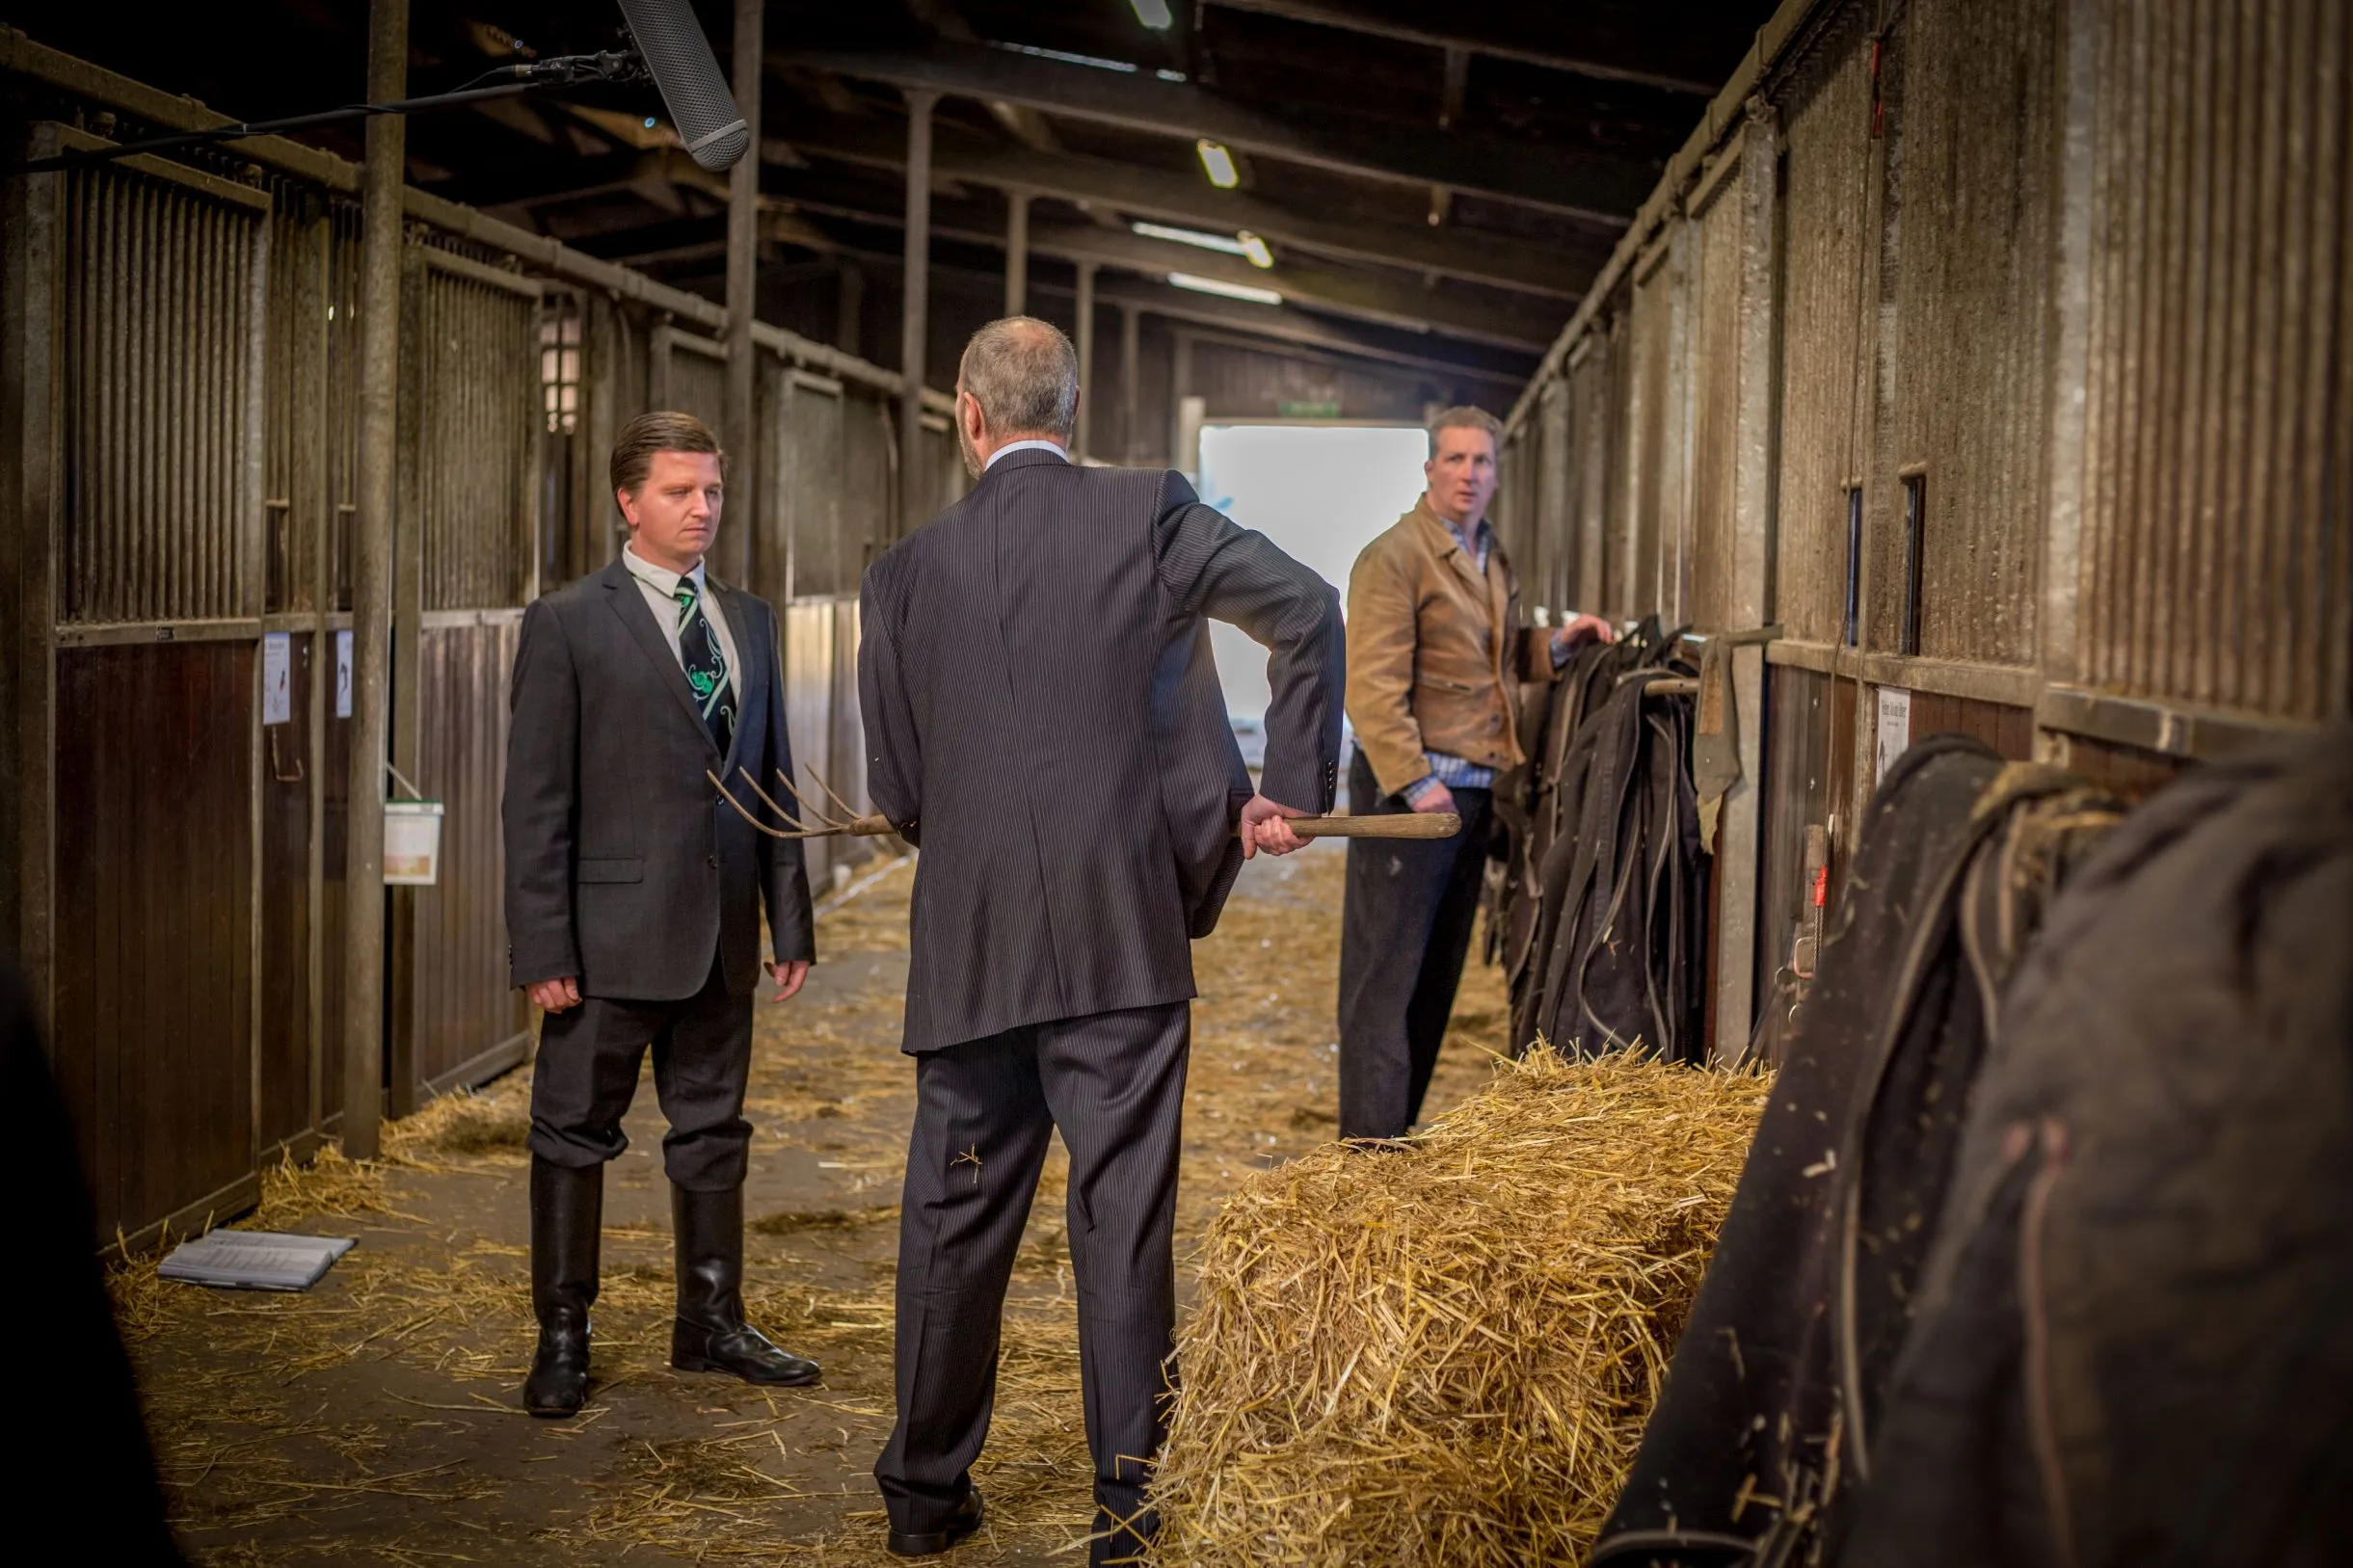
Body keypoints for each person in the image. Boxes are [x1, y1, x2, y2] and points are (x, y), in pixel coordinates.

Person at [860, 317, 1344, 1562]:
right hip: (1121, 943)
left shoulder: (902, 574)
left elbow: (900, 788)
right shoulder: (1150, 514)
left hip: (972, 948)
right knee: (1121, 1218)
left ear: (966, 414)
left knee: (951, 1217)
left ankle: (923, 1495)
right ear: (1069, 410)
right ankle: (1127, 1507)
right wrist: (1286, 784)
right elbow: (1306, 608)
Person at [502, 411, 821, 1420]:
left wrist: (789, 919)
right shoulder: (567, 622)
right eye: (680, 491)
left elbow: (768, 779)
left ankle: (710, 1322)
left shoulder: (750, 618)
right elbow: (535, 797)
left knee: (714, 1129)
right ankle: (563, 1333)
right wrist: (543, 943)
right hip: (602, 944)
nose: (701, 508)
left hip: (721, 931)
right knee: (571, 1133)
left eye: (712, 490)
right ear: (626, 501)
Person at [1338, 406, 1613, 1141]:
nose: (1468, 474)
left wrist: (1555, 645)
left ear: (1495, 473)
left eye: (1480, 462)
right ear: (1429, 469)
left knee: (1434, 979)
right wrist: (1415, 781)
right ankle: (1365, 1152)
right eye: (1454, 460)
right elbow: (1368, 688)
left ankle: (1393, 1136)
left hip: (1470, 791)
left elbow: (1483, 659)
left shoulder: (1488, 553)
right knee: (1384, 979)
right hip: (1413, 796)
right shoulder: (1395, 556)